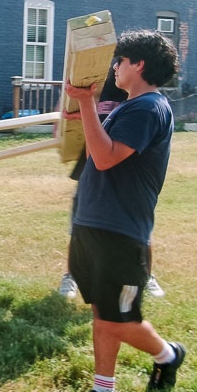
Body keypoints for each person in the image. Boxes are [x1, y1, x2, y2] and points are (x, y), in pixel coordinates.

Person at [64, 29, 184, 392]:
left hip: (121, 230)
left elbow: (105, 158)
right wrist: (80, 113)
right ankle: (103, 387)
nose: (115, 67)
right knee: (104, 311)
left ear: (139, 65)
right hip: (95, 222)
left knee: (121, 317)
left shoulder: (148, 108)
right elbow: (95, 154)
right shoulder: (128, 106)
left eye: (121, 60)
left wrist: (87, 103)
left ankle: (168, 354)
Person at [59, 65, 164, 299]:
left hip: (126, 164)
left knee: (137, 223)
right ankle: (72, 275)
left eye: (122, 61)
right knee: (81, 218)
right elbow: (78, 101)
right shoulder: (99, 76)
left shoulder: (139, 94)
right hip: (94, 157)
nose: (116, 67)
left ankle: (145, 276)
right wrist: (75, 111)